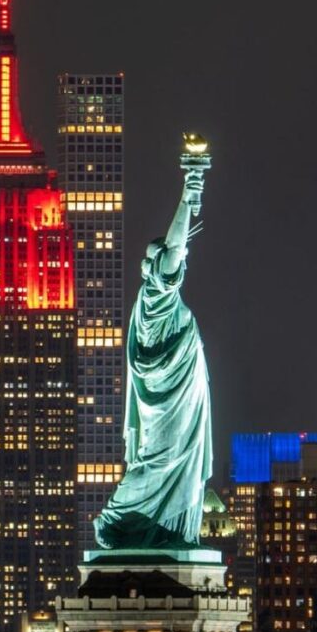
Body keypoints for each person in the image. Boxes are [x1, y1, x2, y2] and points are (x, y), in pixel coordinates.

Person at [94, 156, 211, 550]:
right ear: (155, 267)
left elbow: (178, 247)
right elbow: (177, 243)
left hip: (179, 396)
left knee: (170, 461)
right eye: (165, 261)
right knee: (159, 461)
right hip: (166, 402)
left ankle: (167, 531)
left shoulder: (155, 303)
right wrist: (189, 191)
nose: (177, 264)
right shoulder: (157, 296)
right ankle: (118, 519)